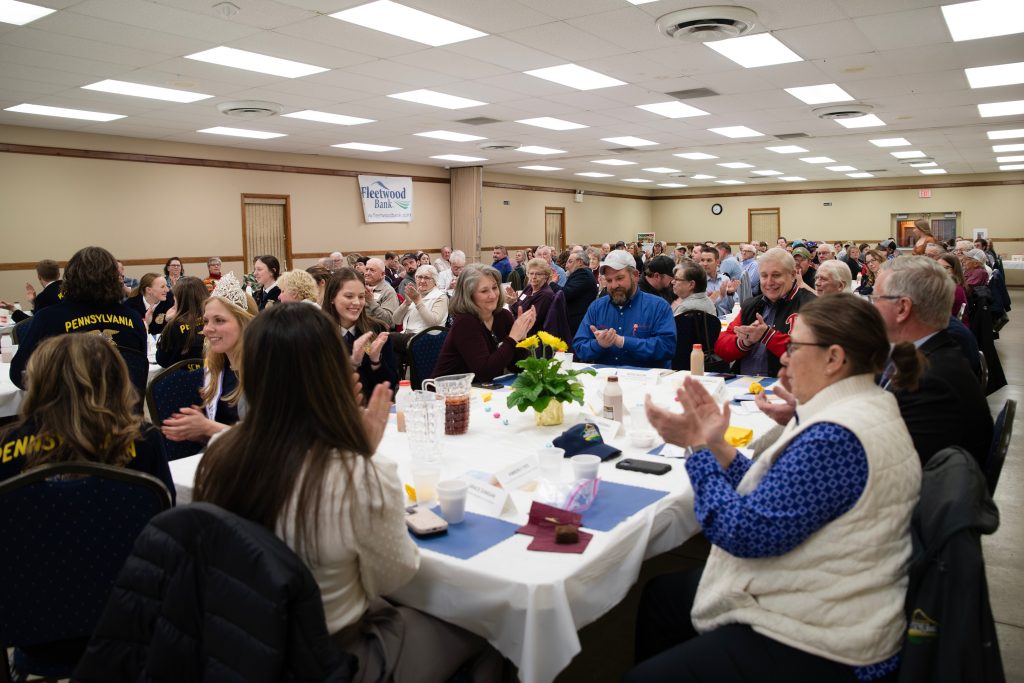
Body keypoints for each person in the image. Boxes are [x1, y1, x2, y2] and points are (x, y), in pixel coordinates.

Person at [192, 303, 508, 683]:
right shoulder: (355, 473)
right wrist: (362, 457)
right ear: (331, 372)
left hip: (242, 644)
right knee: (493, 628)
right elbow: (394, 578)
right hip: (333, 656)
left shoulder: (219, 454)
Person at [633, 294, 922, 683]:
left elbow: (743, 532)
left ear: (834, 358)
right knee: (663, 596)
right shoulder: (865, 403)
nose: (784, 356)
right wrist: (719, 446)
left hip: (830, 634)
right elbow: (784, 493)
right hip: (830, 584)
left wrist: (698, 449)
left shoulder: (836, 437)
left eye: (797, 346)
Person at [0, 334, 174, 499]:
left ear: (38, 383)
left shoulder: (7, 446)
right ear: (115, 380)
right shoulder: (145, 439)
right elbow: (165, 507)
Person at [872, 257, 993, 467]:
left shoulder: (932, 382)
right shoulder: (927, 352)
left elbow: (895, 467)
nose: (871, 308)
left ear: (902, 308)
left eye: (876, 299)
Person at [10, 246, 145, 390]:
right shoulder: (133, 318)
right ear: (115, 278)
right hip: (122, 407)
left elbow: (20, 374)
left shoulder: (48, 318)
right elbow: (139, 369)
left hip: (67, 408)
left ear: (70, 278)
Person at [161, 273, 254, 443]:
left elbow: (269, 440)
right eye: (205, 321)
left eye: (219, 320)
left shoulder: (263, 372)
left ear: (244, 323)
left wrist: (208, 427)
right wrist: (199, 432)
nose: (207, 330)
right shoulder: (216, 368)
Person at [714, 247, 816, 378]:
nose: (769, 282)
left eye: (776, 275)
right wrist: (744, 342)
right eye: (764, 275)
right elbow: (721, 347)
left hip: (788, 387)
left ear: (792, 275)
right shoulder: (751, 305)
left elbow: (812, 353)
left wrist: (767, 335)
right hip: (742, 388)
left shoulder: (811, 305)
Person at [432, 264, 535, 382]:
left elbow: (517, 367)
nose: (493, 295)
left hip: (482, 391)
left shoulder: (503, 316)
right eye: (484, 291)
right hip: (449, 393)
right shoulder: (465, 323)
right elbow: (485, 373)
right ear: (469, 295)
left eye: (495, 287)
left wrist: (522, 338)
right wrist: (512, 338)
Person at [573, 250, 675, 369]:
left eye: (620, 278)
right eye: (609, 280)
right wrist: (598, 344)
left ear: (635, 276)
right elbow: (579, 347)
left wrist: (623, 342)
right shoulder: (597, 307)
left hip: (645, 382)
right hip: (605, 381)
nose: (614, 285)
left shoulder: (658, 307)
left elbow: (666, 348)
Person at [323, 268, 398, 400]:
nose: (357, 303)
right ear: (332, 298)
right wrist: (352, 362)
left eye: (361, 296)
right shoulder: (318, 333)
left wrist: (376, 361)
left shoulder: (376, 329)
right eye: (349, 296)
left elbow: (390, 385)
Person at [391, 265, 449, 356]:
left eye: (426, 278)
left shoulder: (440, 296)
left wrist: (418, 301)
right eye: (419, 277)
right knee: (380, 341)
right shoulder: (415, 294)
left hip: (428, 338)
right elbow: (395, 320)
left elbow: (434, 322)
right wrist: (407, 302)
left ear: (434, 281)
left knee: (387, 338)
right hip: (409, 336)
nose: (422, 281)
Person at [156, 276, 208, 368]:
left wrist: (169, 321)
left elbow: (162, 360)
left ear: (179, 299)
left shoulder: (174, 326)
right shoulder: (215, 320)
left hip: (183, 379)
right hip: (214, 376)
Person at [506, 258, 556, 338]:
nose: (534, 277)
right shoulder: (529, 288)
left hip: (532, 336)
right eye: (531, 273)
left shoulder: (545, 294)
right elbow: (518, 307)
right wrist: (513, 301)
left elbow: (530, 320)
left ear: (545, 276)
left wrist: (513, 303)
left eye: (538, 274)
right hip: (519, 328)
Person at [1, 258, 61, 323]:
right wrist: (34, 302)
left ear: (39, 277)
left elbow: (34, 324)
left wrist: (13, 309)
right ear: (59, 275)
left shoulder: (43, 297)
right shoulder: (70, 289)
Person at [562, 251, 598, 334]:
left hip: (577, 323)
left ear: (580, 262)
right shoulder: (584, 273)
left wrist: (551, 283)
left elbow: (565, 294)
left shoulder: (583, 273)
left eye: (570, 262)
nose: (566, 266)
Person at [363, 257, 399, 327]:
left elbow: (390, 321)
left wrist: (371, 302)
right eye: (366, 269)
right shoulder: (360, 286)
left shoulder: (388, 291)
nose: (367, 273)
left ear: (382, 274)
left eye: (372, 270)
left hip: (375, 331)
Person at [699, 250, 736, 317]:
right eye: (702, 260)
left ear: (717, 262)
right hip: (707, 321)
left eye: (709, 260)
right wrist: (721, 296)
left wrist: (730, 294)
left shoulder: (725, 279)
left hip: (726, 318)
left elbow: (731, 307)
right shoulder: (698, 282)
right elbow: (702, 310)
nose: (705, 264)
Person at [938, 253, 970, 323]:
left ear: (955, 269)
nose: (942, 270)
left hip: (951, 328)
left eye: (946, 268)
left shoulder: (954, 288)